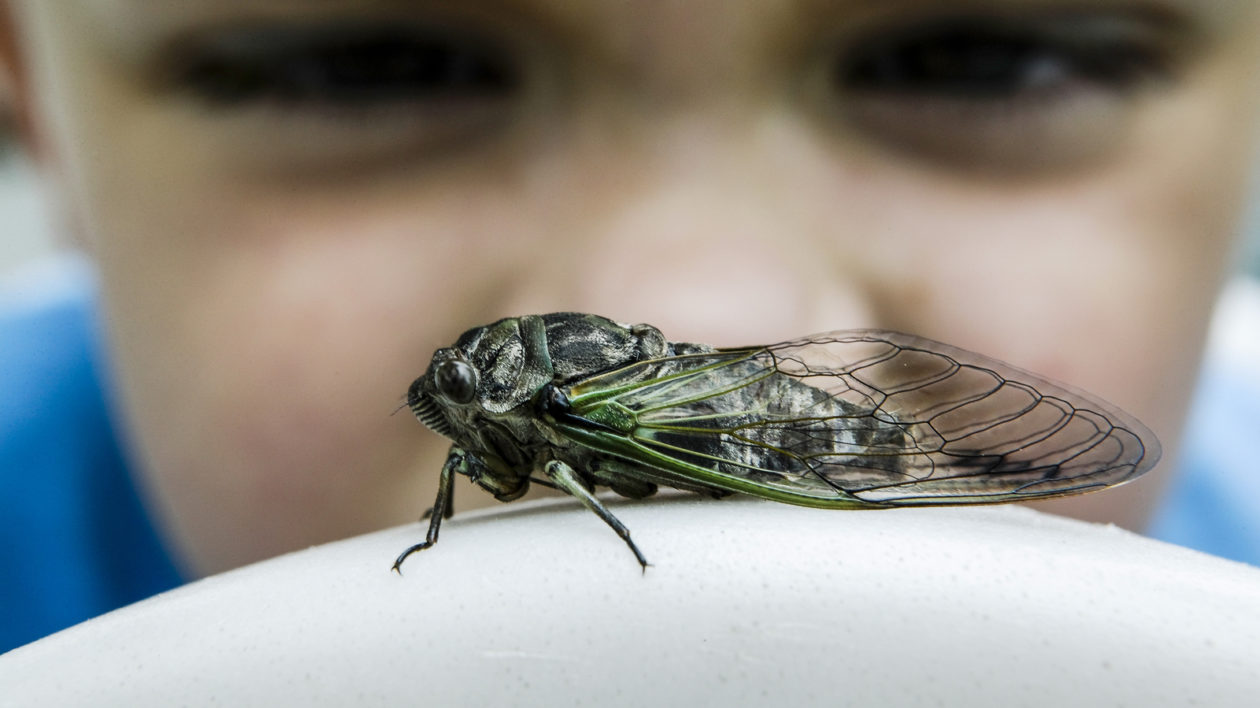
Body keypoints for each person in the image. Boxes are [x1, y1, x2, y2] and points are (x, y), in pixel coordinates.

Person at [2, 0, 1258, 653]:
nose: (732, 298)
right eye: (359, 62)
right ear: (28, 95)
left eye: (989, 55)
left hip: (751, 429)